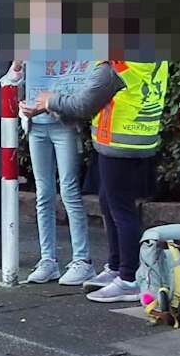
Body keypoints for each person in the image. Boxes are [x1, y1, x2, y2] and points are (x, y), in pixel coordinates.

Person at [30, 58, 171, 304]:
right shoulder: (152, 60)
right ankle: (116, 267)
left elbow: (84, 104)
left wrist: (50, 101)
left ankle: (128, 279)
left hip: (118, 143)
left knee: (121, 211)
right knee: (109, 202)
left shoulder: (116, 65)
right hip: (142, 139)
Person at [10, 61, 94, 285]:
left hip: (63, 124)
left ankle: (82, 260)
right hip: (36, 125)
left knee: (69, 190)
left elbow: (81, 89)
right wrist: (18, 67)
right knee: (43, 193)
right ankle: (47, 259)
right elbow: (10, 83)